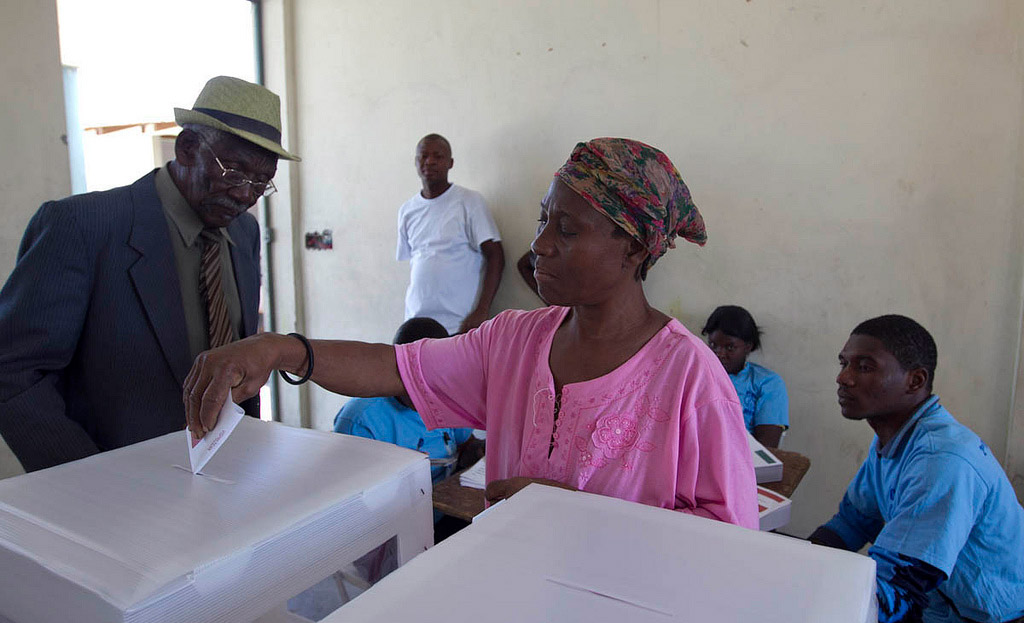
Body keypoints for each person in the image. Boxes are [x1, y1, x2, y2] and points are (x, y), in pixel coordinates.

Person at [185, 137, 759, 529]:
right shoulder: (514, 339)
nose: (540, 246)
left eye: (566, 229)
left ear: (634, 246)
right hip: (510, 596)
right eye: (542, 220)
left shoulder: (688, 377)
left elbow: (729, 540)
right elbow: (396, 367)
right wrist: (280, 348)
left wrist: (578, 515)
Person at [0, 75, 300, 473]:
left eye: (262, 181)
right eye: (234, 172)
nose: (246, 195)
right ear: (188, 148)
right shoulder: (83, 226)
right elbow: (13, 369)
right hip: (112, 488)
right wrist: (83, 476)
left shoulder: (243, 232)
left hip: (225, 475)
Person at [809, 315, 1024, 623]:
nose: (843, 377)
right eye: (844, 363)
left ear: (916, 380)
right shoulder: (894, 443)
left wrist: (800, 591)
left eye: (864, 367)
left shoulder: (942, 460)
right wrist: (793, 560)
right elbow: (850, 524)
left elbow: (895, 594)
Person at [333, 317, 482, 486]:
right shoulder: (361, 421)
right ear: (398, 367)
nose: (430, 392)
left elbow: (464, 445)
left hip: (442, 504)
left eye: (437, 377)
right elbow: (353, 494)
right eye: (417, 378)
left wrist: (481, 450)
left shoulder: (449, 400)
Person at [397, 134, 505, 334]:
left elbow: (496, 255)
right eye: (423, 156)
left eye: (438, 156)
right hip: (415, 322)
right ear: (416, 162)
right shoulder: (407, 210)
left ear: (450, 163)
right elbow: (418, 262)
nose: (429, 161)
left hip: (458, 324)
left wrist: (482, 310)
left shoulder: (469, 202)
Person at [701, 305, 789, 447]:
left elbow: (767, 446)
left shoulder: (767, 383)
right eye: (713, 345)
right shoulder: (697, 377)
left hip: (744, 461)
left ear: (748, 346)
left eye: (730, 347)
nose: (719, 354)